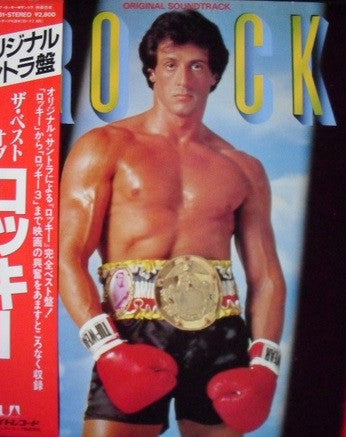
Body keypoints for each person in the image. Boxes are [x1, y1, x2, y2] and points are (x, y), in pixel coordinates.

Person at [59, 10, 286, 437]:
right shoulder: (105, 147)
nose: (183, 79)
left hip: (220, 337)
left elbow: (266, 276)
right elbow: (66, 255)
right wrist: (106, 347)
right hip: (131, 333)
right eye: (170, 64)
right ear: (151, 72)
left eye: (197, 66)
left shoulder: (243, 168)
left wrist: (265, 365)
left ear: (214, 76)